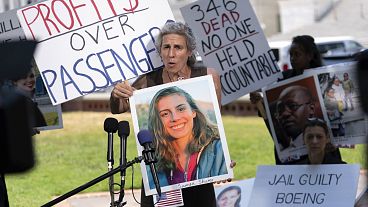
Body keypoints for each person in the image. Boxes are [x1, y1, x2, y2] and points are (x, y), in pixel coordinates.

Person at [110, 21, 230, 207]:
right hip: (159, 173)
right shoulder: (148, 80)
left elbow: (218, 127)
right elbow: (118, 108)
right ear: (160, 51)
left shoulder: (207, 76)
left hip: (197, 177)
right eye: (166, 47)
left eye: (178, 47)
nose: (171, 54)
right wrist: (116, 94)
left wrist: (223, 162)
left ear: (189, 51)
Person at [250, 35, 329, 164]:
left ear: (309, 56)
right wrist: (260, 101)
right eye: (291, 55)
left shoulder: (323, 79)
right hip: (291, 156)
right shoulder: (283, 78)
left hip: (321, 149)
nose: (292, 59)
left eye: (297, 54)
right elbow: (270, 112)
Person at [146, 86, 227, 188]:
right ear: (158, 121)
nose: (175, 118)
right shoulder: (151, 161)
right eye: (165, 114)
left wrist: (228, 168)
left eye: (181, 109)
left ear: (193, 112)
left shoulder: (219, 149)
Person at [274, 85, 315, 151]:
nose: (285, 114)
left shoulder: (326, 140)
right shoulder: (283, 150)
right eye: (280, 110)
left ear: (311, 109)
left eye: (292, 106)